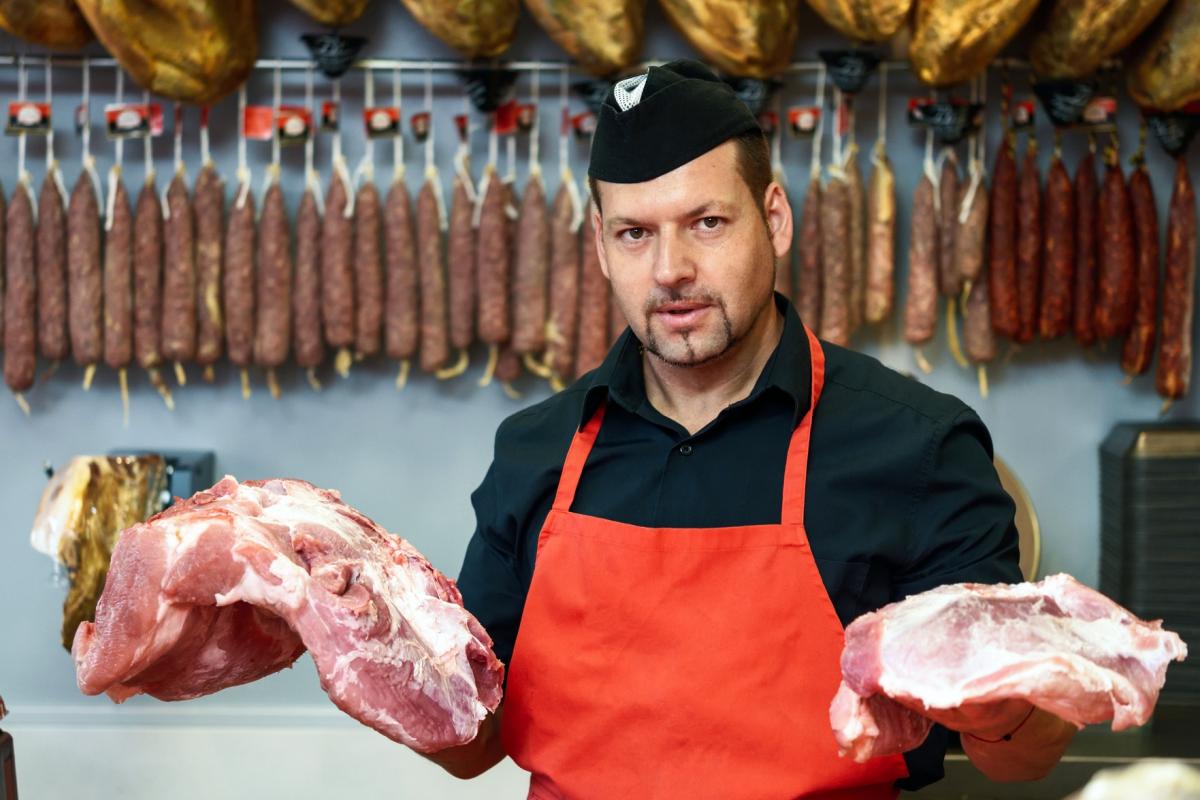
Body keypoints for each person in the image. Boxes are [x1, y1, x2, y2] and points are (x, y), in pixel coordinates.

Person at [427, 59, 1076, 797]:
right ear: (602, 247)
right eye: (636, 234)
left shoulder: (922, 447)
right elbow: (470, 743)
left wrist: (1004, 705)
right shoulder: (535, 448)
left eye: (706, 223)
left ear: (774, 218)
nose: (670, 270)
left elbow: (1023, 756)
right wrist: (352, 640)